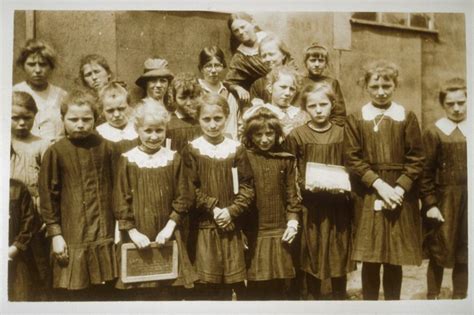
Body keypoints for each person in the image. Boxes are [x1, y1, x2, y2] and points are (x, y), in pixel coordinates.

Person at [344, 60, 424, 300]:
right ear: (366, 86)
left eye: (386, 85)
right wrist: (379, 185)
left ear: (395, 85)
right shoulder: (356, 118)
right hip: (369, 192)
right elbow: (352, 158)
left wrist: (399, 188)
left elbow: (416, 157)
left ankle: (393, 305)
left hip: (400, 194)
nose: (381, 92)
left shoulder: (406, 116)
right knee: (371, 257)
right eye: (375, 86)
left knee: (393, 257)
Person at [38, 89, 118, 300]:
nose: (80, 124)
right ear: (63, 119)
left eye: (86, 119)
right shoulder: (56, 152)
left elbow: (118, 189)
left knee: (105, 294)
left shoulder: (107, 148)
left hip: (104, 232)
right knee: (76, 293)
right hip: (73, 233)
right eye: (73, 119)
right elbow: (48, 196)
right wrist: (55, 234)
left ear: (95, 119)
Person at [114, 102, 198, 299]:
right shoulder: (128, 159)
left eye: (159, 130)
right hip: (138, 233)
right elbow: (120, 198)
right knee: (140, 290)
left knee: (168, 289)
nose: (154, 136)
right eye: (148, 130)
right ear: (137, 130)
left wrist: (170, 226)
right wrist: (132, 231)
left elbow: (184, 195)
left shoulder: (173, 158)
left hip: (167, 230)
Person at [284, 82, 354, 300]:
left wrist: (344, 185)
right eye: (313, 106)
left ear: (333, 105)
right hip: (311, 207)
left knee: (338, 254)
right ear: (305, 108)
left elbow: (352, 166)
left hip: (338, 207)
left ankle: (340, 299)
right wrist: (304, 185)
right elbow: (290, 172)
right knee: (312, 255)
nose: (319, 110)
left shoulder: (343, 134)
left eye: (323, 104)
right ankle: (314, 300)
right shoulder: (297, 135)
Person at [181, 94, 254, 300]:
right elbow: (189, 187)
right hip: (205, 225)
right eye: (207, 119)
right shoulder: (192, 150)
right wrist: (214, 209)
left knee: (233, 284)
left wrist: (231, 211)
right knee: (208, 286)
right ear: (198, 119)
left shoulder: (236, 149)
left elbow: (248, 186)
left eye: (218, 118)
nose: (213, 125)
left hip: (231, 225)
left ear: (227, 117)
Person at [241, 107, 303, 300]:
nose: (265, 139)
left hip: (279, 229)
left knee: (280, 285)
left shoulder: (286, 160)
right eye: (258, 135)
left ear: (277, 134)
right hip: (254, 230)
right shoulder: (244, 158)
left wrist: (293, 222)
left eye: (270, 134)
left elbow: (292, 194)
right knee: (255, 285)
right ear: (250, 136)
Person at [421, 78, 468, 299]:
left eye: (462, 102)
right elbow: (425, 172)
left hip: (469, 199)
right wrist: (430, 203)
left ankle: (460, 297)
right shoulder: (435, 131)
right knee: (439, 249)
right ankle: (433, 297)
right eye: (451, 104)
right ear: (443, 105)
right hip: (444, 200)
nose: (457, 108)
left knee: (465, 251)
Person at [13, 38, 67, 143]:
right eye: (31, 64)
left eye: (43, 64)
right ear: (23, 66)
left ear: (51, 67)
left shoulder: (62, 95)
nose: (37, 70)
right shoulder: (14, 93)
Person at [10, 91, 50, 207]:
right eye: (15, 118)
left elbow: (47, 179)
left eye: (27, 118)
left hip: (32, 203)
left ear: (34, 116)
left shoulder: (42, 144)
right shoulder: (4, 143)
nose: (22, 123)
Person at [8, 178, 43, 301]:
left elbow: (28, 221)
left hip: (17, 255)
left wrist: (16, 246)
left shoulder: (18, 188)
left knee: (21, 297)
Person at [225, 13, 268, 110]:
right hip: (263, 94)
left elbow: (289, 62)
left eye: (243, 27)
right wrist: (238, 88)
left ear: (253, 23)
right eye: (236, 30)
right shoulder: (240, 56)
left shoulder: (270, 40)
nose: (240, 32)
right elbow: (228, 82)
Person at [297, 43, 346, 126]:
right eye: (312, 60)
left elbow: (339, 115)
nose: (317, 64)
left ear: (326, 63)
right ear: (305, 63)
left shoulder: (332, 83)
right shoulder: (299, 82)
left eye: (321, 61)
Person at [198, 46, 239, 139]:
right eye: (208, 66)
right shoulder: (195, 90)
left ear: (223, 66)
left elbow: (232, 125)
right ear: (201, 69)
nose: (213, 70)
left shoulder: (229, 93)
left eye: (217, 65)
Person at [250, 34, 297, 103]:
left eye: (271, 54)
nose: (268, 59)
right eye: (264, 56)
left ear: (283, 55)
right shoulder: (258, 85)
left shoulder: (295, 79)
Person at [96, 81, 138, 152]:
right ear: (102, 111)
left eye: (121, 109)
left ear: (129, 106)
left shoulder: (138, 129)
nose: (116, 115)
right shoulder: (99, 133)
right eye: (110, 110)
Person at [166, 72, 202, 152]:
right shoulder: (169, 124)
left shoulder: (203, 121)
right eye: (182, 98)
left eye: (192, 97)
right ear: (173, 98)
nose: (188, 103)